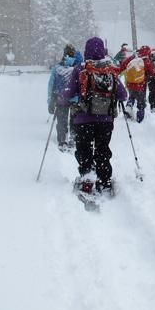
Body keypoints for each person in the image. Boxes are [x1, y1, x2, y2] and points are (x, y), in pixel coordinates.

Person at [63, 36, 127, 193]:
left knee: (84, 149)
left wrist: (62, 96)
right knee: (102, 149)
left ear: (86, 51)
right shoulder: (110, 69)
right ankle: (104, 180)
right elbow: (123, 94)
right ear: (103, 51)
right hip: (105, 119)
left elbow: (69, 93)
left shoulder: (81, 69)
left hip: (83, 118)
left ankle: (87, 179)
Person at [47, 43, 78, 151]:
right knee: (74, 120)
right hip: (74, 99)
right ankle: (73, 138)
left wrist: (50, 100)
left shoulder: (57, 68)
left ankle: (62, 139)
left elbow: (51, 85)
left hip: (60, 99)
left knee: (61, 120)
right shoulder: (76, 69)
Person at [119, 45, 155, 123]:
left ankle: (129, 106)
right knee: (141, 102)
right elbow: (152, 72)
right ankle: (140, 119)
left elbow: (123, 65)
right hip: (141, 84)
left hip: (130, 83)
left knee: (131, 97)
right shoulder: (147, 60)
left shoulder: (133, 57)